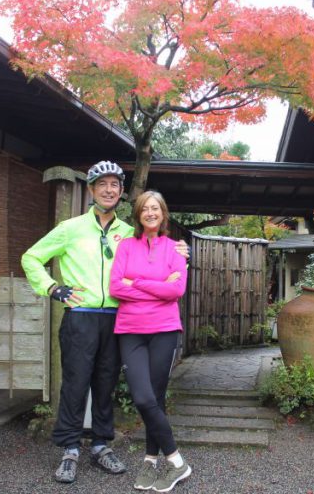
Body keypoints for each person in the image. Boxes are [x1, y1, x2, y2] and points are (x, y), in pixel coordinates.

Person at [21, 161, 187, 484]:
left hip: (117, 318)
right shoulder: (71, 228)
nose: (109, 190)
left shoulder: (129, 233)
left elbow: (160, 249)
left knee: (106, 384)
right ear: (91, 189)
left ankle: (100, 445)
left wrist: (183, 250)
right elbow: (31, 257)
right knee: (75, 383)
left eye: (115, 185)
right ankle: (69, 449)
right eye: (102, 184)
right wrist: (53, 288)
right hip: (80, 317)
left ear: (121, 192)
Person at [109, 190, 191, 492]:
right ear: (139, 214)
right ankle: (177, 462)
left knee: (155, 397)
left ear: (163, 213)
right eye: (145, 208)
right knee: (143, 397)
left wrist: (139, 283)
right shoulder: (127, 247)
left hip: (164, 330)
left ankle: (150, 459)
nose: (150, 213)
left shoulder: (176, 249)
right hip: (130, 330)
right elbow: (116, 287)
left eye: (155, 208)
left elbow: (176, 291)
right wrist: (158, 285)